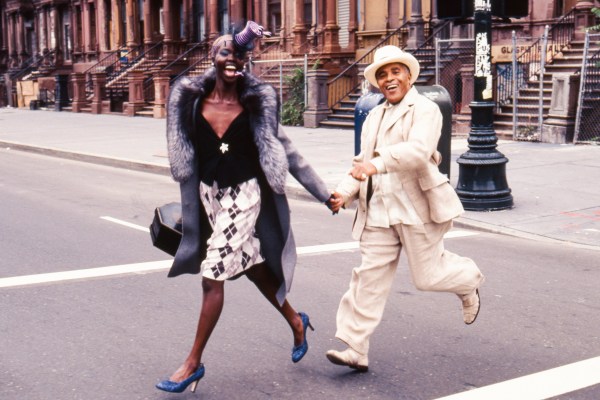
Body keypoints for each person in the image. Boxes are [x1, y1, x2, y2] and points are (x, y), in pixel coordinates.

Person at [156, 21, 332, 393]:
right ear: (213, 58)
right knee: (251, 265)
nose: (232, 60)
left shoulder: (256, 104)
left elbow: (290, 154)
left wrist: (323, 193)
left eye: (238, 54)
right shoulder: (190, 100)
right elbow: (184, 151)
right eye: (225, 53)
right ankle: (297, 321)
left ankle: (192, 363)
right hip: (210, 195)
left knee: (212, 276)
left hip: (245, 195)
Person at [326, 45, 485, 372]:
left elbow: (417, 151)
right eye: (382, 75)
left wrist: (376, 165)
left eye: (395, 72)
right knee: (368, 278)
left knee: (428, 278)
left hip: (416, 207)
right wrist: (343, 193)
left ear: (409, 76)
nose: (389, 79)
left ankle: (468, 281)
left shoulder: (425, 109)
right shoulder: (373, 116)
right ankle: (355, 347)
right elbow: (360, 164)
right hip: (379, 211)